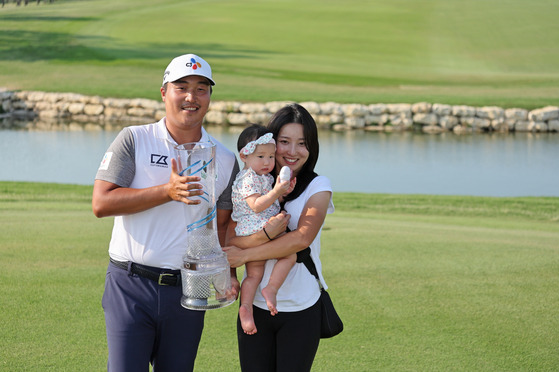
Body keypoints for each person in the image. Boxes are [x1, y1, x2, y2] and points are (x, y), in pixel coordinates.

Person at [92, 53, 240, 372]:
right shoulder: (134, 139)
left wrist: (228, 274)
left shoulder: (225, 159)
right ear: (164, 92)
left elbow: (223, 226)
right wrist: (166, 191)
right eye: (181, 86)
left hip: (190, 287)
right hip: (130, 282)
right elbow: (101, 203)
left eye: (202, 88)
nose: (191, 96)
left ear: (210, 97)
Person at [224, 103, 335, 372]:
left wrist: (247, 254)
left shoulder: (318, 186)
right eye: (285, 142)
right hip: (255, 307)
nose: (293, 152)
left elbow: (300, 239)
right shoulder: (251, 182)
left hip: (301, 306)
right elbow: (231, 238)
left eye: (302, 143)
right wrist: (262, 237)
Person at [232, 124, 296, 335]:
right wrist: (276, 191)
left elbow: (271, 201)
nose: (268, 162)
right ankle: (257, 299)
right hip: (256, 228)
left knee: (257, 273)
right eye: (261, 156)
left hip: (264, 226)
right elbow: (257, 205)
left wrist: (282, 193)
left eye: (271, 156)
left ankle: (258, 298)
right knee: (288, 255)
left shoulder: (265, 177)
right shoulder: (247, 178)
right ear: (245, 156)